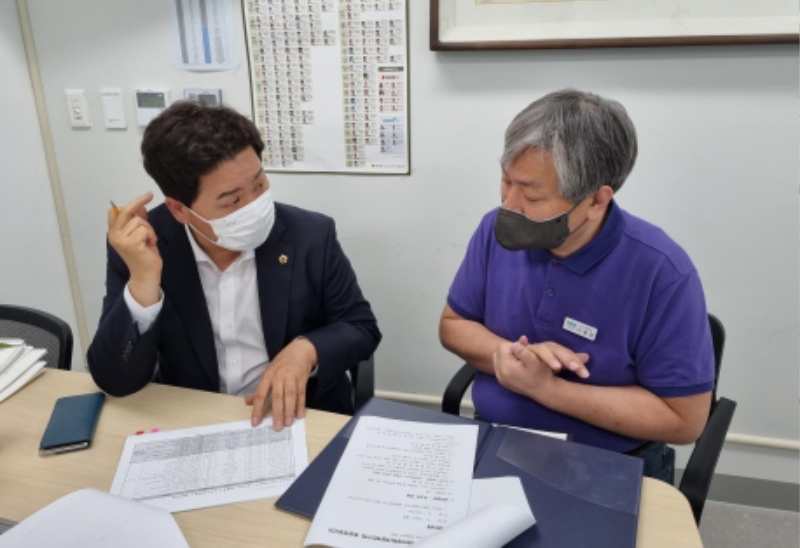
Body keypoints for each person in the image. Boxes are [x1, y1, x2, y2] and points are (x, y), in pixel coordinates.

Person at [439, 89, 714, 482]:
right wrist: (505, 354)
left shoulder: (662, 271)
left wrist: (546, 388)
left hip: (606, 463)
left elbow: (683, 420)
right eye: (505, 181)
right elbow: (454, 324)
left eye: (532, 194)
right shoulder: (494, 231)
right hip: (495, 440)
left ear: (597, 200)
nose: (509, 204)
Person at [88, 101, 380, 430]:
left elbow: (360, 326)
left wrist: (307, 350)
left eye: (259, 184)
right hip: (192, 420)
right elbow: (115, 380)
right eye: (233, 200)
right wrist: (144, 281)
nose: (255, 206)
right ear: (179, 210)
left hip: (296, 415)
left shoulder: (310, 235)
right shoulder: (144, 248)